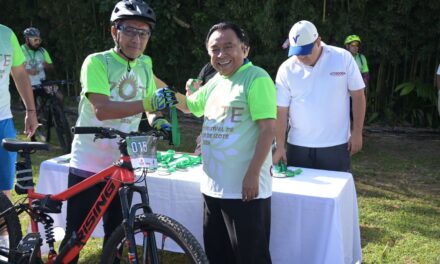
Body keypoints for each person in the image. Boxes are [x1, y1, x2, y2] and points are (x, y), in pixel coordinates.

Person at [58, 1, 176, 262]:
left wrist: (156, 120)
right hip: (89, 161)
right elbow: (101, 109)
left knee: (119, 232)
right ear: (115, 32)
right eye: (130, 31)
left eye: (143, 33)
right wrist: (149, 103)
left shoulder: (145, 63)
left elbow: (149, 104)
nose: (137, 38)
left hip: (124, 159)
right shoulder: (97, 62)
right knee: (76, 235)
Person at [178, 22, 276, 264]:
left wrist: (252, 174)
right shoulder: (216, 81)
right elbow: (190, 106)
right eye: (214, 49)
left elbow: (267, 129)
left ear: (245, 49)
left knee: (251, 258)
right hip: (213, 187)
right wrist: (155, 85)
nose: (221, 54)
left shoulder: (257, 78)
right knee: (218, 255)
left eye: (228, 46)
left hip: (245, 191)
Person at [273, 20, 366, 172]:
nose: (302, 56)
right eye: (297, 52)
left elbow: (358, 96)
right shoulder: (286, 69)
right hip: (298, 146)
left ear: (318, 41)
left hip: (336, 144)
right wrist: (280, 146)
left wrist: (357, 133)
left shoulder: (343, 58)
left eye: (306, 50)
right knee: (299, 194)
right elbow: (281, 111)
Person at [0, 23, 38, 258]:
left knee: (4, 192)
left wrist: (31, 110)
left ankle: (4, 242)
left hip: (3, 121)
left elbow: (20, 72)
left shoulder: (6, 33)